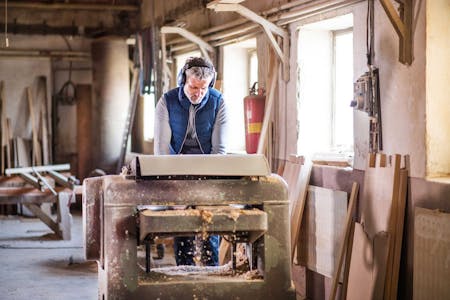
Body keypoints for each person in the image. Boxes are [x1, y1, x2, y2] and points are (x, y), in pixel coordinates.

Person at [153, 57, 229, 266]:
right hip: (176, 169)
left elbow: (219, 150)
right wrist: (171, 185)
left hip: (208, 169)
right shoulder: (166, 102)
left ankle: (211, 271)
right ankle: (184, 269)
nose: (198, 93)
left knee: (209, 224)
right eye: (193, 87)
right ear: (183, 81)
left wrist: (210, 188)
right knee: (183, 226)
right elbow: (161, 150)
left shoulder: (218, 102)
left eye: (204, 88)